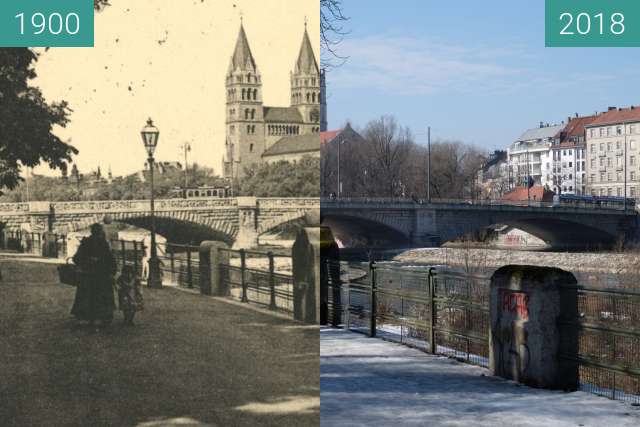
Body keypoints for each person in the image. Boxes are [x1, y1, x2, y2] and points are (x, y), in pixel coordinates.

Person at [70, 223, 117, 329]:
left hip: (88, 275)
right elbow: (110, 259)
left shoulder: (85, 242)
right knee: (102, 297)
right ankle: (101, 318)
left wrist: (87, 261)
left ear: (91, 231)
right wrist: (112, 271)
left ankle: (87, 318)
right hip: (102, 275)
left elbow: (76, 258)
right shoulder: (103, 243)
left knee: (87, 296)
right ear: (100, 232)